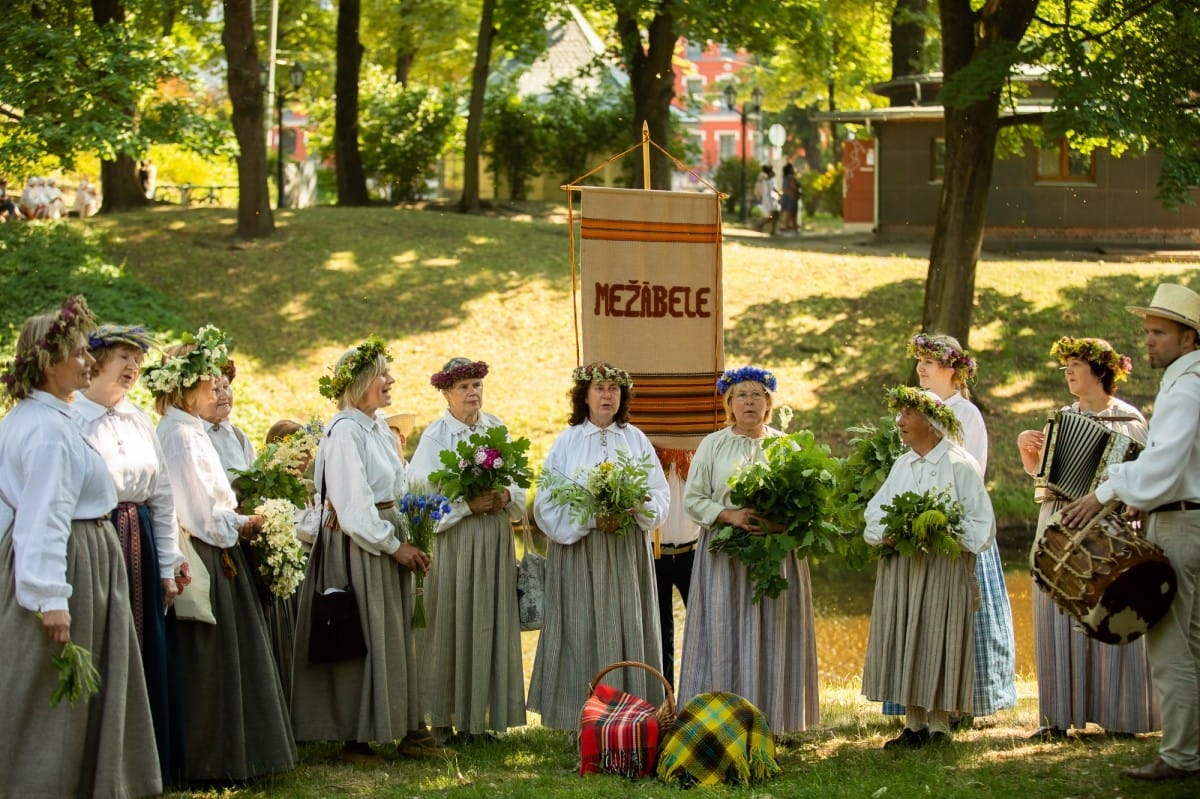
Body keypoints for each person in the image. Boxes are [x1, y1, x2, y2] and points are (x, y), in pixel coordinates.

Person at [0, 296, 162, 797]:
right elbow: (44, 514)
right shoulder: (47, 430)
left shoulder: (45, 419)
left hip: (81, 560)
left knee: (56, 691)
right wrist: (50, 595)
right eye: (79, 352)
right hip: (69, 562)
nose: (89, 361)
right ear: (49, 362)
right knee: (49, 689)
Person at [1062, 283, 1200, 781]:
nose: (1148, 341)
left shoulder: (1187, 383)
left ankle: (1182, 756)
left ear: (1189, 339)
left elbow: (1165, 461)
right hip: (1188, 516)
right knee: (1194, 641)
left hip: (1181, 520)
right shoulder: (1189, 379)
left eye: (1159, 332)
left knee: (1170, 645)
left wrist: (1105, 492)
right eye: (1146, 332)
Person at [292, 338, 451, 763]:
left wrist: (415, 527)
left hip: (385, 533)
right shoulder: (345, 431)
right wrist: (392, 545)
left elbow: (396, 484)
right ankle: (356, 737)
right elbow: (352, 505)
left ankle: (406, 726)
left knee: (395, 633)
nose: (390, 380)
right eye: (382, 374)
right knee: (363, 632)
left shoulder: (376, 426)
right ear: (361, 382)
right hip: (359, 545)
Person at [149, 325, 296, 781]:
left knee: (231, 657)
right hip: (204, 551)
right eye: (207, 379)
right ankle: (211, 758)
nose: (217, 386)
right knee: (210, 660)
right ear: (183, 387)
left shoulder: (194, 431)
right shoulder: (178, 434)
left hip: (221, 546)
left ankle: (239, 753)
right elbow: (199, 512)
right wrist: (244, 524)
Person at [1017, 336, 1158, 740]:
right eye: (1066, 366)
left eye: (1076, 364)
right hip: (1059, 520)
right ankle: (1057, 719)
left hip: (1109, 527)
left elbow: (1143, 480)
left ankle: (1121, 717)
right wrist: (1030, 457)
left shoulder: (1130, 421)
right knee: (1055, 616)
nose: (1068, 371)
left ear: (1102, 372)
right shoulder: (1062, 417)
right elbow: (1044, 478)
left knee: (1111, 609)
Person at [528, 362, 670, 731]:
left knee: (627, 627)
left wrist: (634, 509)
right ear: (584, 396)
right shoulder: (568, 441)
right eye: (599, 388)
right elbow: (545, 504)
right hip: (580, 552)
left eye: (613, 389)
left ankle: (634, 716)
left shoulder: (636, 439)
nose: (607, 395)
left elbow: (660, 494)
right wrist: (591, 519)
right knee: (580, 629)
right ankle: (578, 719)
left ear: (622, 396)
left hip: (625, 551)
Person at [75, 324, 188, 784]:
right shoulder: (73, 419)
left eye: (137, 359)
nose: (133, 366)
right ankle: (103, 766)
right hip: (96, 538)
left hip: (137, 537)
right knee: (103, 641)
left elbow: (162, 497)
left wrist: (167, 562)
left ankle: (146, 763)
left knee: (146, 645)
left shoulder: (140, 419)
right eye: (124, 356)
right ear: (95, 361)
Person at [679, 366, 820, 735]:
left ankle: (772, 721)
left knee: (771, 631)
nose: (749, 402)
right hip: (724, 553)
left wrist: (778, 524)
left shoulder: (784, 446)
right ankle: (720, 720)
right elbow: (693, 499)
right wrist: (730, 514)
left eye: (757, 394)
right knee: (725, 630)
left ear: (769, 403)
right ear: (729, 403)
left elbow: (802, 506)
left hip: (774, 557)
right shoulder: (713, 444)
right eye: (741, 395)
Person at [863, 386, 996, 748]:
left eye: (908, 414)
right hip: (904, 568)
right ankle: (913, 723)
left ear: (933, 423)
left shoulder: (959, 465)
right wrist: (886, 533)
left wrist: (944, 531)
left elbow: (982, 526)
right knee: (906, 634)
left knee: (939, 635)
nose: (900, 421)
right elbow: (874, 514)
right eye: (900, 414)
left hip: (943, 567)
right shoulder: (902, 464)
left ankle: (940, 725)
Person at [408, 357, 527, 742]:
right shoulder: (435, 438)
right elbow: (420, 502)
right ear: (446, 393)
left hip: (493, 539)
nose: (473, 392)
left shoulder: (497, 428)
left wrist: (506, 494)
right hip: (455, 542)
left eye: (477, 385)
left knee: (488, 622)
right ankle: (442, 720)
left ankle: (482, 720)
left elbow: (520, 487)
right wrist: (465, 506)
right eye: (464, 387)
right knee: (450, 623)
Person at [906, 333, 1016, 725]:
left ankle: (963, 701)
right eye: (919, 360)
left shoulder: (966, 413)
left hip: (956, 527)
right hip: (918, 528)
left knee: (964, 613)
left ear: (953, 369)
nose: (921, 367)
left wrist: (946, 517)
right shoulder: (914, 409)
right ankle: (921, 700)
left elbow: (974, 469)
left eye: (929, 362)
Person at [654, 460, 700, 689]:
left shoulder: (693, 453)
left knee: (704, 627)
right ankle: (666, 700)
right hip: (655, 554)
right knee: (661, 634)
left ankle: (702, 694)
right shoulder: (650, 453)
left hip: (691, 552)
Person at [203, 359, 256, 480]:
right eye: (215, 390)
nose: (224, 395)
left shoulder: (238, 436)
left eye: (226, 387)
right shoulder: (190, 437)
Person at [754, 165, 779, 235]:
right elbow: (771, 190)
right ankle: (760, 225)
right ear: (770, 172)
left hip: (772, 200)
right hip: (769, 201)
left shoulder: (769, 180)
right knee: (772, 216)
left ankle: (772, 230)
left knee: (774, 216)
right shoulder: (767, 180)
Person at [779, 163, 801, 234]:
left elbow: (784, 188)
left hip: (786, 197)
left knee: (789, 213)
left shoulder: (785, 178)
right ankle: (787, 226)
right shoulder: (791, 177)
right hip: (791, 197)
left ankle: (793, 227)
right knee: (791, 212)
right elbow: (793, 187)